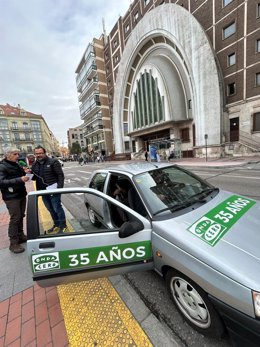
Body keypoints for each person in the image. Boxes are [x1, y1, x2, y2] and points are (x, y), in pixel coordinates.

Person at [31, 145, 67, 234]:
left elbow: (60, 175)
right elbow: (34, 178)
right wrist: (30, 174)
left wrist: (59, 189)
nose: (39, 155)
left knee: (57, 208)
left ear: (45, 153)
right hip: (42, 191)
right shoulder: (35, 164)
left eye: (40, 153)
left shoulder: (53, 161)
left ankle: (63, 225)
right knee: (50, 209)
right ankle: (57, 224)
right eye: (37, 154)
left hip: (53, 190)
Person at [0, 147, 29, 253]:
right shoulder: (2, 166)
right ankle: (13, 243)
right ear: (8, 155)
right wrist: (20, 179)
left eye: (18, 154)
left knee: (21, 216)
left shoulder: (16, 164)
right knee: (15, 218)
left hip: (21, 194)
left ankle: (21, 236)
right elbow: (1, 182)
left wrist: (25, 172)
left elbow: (21, 175)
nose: (18, 156)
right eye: (15, 154)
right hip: (11, 197)